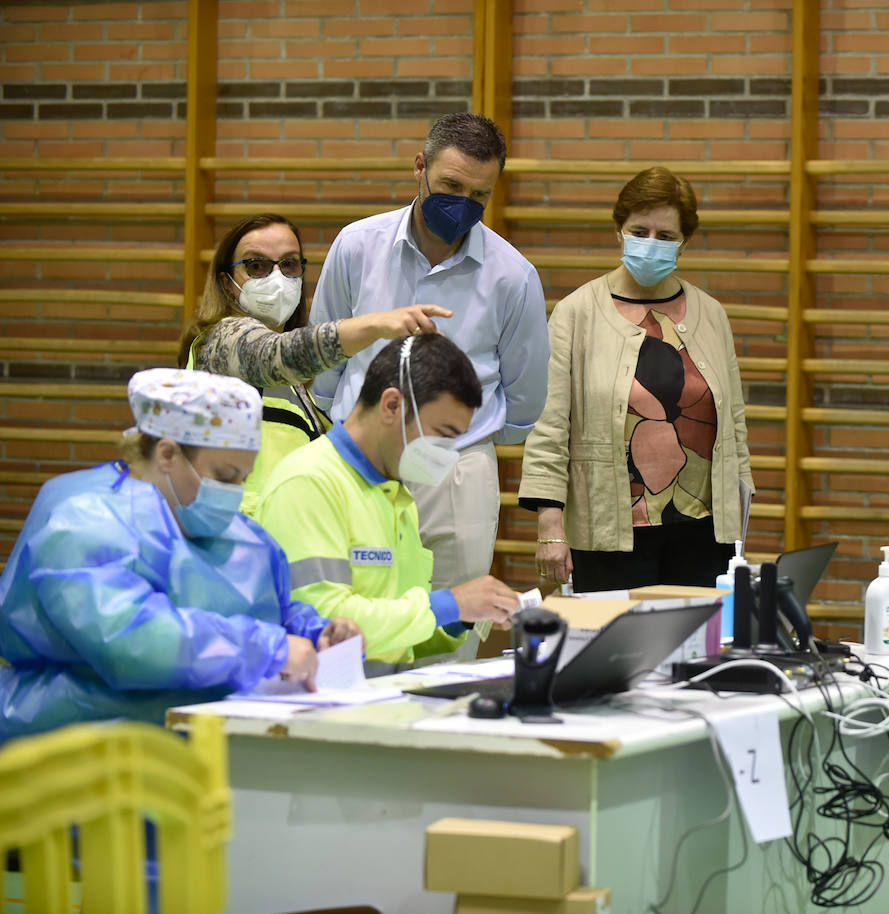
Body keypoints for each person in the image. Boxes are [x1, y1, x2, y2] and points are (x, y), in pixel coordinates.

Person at [0, 369, 359, 742]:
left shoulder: (241, 534)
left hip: (204, 752)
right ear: (167, 453)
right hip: (73, 754)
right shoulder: (82, 520)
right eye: (223, 475)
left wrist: (315, 632)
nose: (233, 492)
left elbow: (269, 609)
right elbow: (132, 642)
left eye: (243, 478)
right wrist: (267, 649)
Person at [310, 113, 550, 613]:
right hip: (359, 457)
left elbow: (525, 397)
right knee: (350, 614)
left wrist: (462, 445)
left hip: (454, 466)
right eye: (450, 185)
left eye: (479, 196)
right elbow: (326, 351)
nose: (463, 204)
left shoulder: (514, 276)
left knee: (452, 624)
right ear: (420, 166)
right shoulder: (357, 246)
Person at [518, 166, 753, 591]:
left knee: (698, 653)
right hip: (608, 532)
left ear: (684, 242)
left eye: (665, 237)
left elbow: (733, 424)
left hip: (701, 532)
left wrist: (738, 522)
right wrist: (550, 526)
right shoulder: (577, 313)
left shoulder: (711, 314)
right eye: (640, 231)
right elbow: (548, 425)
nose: (651, 244)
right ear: (618, 231)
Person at [257, 335, 521, 673]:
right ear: (392, 405)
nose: (447, 452)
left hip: (382, 698)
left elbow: (399, 641)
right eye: (442, 433)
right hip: (322, 702)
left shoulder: (396, 496)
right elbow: (327, 625)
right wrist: (448, 603)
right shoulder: (308, 482)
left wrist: (461, 618)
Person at [176, 213, 451, 518]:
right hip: (234, 537)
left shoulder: (302, 389)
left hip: (287, 533)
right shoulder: (221, 341)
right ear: (227, 283)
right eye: (256, 266)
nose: (276, 277)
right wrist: (376, 324)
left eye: (289, 264)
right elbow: (274, 355)